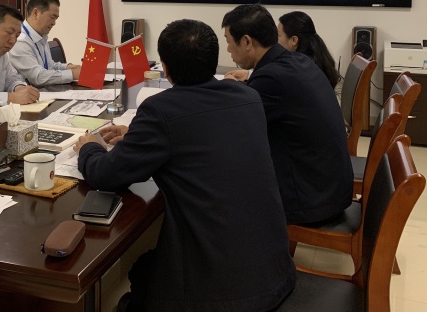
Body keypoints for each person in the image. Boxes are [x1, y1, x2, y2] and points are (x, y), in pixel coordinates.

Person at [75, 19, 295, 312]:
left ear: (165, 69)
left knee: (141, 273)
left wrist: (89, 147)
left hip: (219, 293)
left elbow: (107, 175)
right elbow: (203, 134)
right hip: (274, 273)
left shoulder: (160, 110)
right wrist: (138, 136)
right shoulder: (248, 97)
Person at [221, 4, 353, 225]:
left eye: (228, 41)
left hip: (311, 200)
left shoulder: (271, 78)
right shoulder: (297, 61)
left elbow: (236, 127)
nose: (227, 49)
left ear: (246, 42)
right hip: (330, 189)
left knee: (223, 183)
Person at [9, 0, 81, 86]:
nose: (54, 23)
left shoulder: (41, 36)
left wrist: (69, 67)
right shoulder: (20, 41)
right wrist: (72, 74)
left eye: (56, 19)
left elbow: (49, 67)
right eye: (52, 17)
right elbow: (38, 77)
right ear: (35, 13)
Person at [278, 11, 340, 88]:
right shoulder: (319, 59)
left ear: (294, 40)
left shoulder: (298, 69)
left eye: (278, 35)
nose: (275, 40)